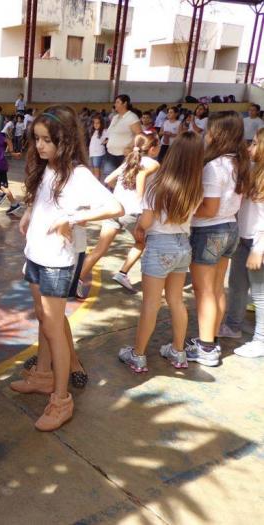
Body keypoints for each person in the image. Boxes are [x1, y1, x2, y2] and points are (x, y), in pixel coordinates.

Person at [11, 106, 123, 431]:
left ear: (66, 139)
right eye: (37, 139)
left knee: (54, 328)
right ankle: (44, 375)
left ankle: (61, 400)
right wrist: (31, 212)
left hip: (57, 263)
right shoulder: (49, 169)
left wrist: (73, 219)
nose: (41, 146)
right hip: (36, 255)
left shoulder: (79, 174)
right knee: (43, 320)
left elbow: (115, 206)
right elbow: (45, 199)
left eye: (47, 140)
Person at [118, 132, 204, 373]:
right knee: (176, 300)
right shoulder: (196, 188)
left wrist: (138, 227)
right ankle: (178, 352)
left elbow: (146, 221)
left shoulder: (158, 183)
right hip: (182, 246)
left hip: (159, 246)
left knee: (151, 304)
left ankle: (138, 355)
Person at [186, 111, 250, 367]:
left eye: (209, 130)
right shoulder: (239, 163)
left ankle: (206, 347)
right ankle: (209, 337)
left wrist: (185, 214)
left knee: (204, 293)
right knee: (216, 288)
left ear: (218, 134)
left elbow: (209, 209)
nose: (205, 135)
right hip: (230, 229)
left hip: (209, 231)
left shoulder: (214, 167)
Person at [76, 132, 161, 299]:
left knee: (100, 248)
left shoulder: (129, 161)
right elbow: (142, 176)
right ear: (152, 149)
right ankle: (123, 273)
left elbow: (108, 179)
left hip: (115, 209)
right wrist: (139, 198)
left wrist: (120, 192)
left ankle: (77, 280)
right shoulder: (153, 163)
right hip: (132, 211)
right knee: (142, 242)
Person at [220, 128, 264, 358]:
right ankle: (232, 325)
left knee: (259, 293)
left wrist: (259, 248)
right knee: (237, 285)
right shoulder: (254, 170)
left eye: (255, 143)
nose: (249, 148)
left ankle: (261, 340)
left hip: (258, 243)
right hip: (243, 238)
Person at [104, 94, 141, 180]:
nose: (115, 104)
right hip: (110, 153)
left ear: (125, 103)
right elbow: (112, 132)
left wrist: (130, 147)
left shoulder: (132, 117)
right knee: (109, 178)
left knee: (121, 178)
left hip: (123, 155)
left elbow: (139, 134)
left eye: (117, 102)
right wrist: (109, 140)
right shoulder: (115, 117)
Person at [88, 113, 109, 179]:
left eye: (98, 123)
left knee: (96, 169)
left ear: (101, 123)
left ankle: (97, 182)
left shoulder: (104, 131)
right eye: (94, 123)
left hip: (98, 153)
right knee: (94, 169)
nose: (95, 125)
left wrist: (104, 142)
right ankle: (96, 181)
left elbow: (110, 137)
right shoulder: (94, 131)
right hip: (92, 153)